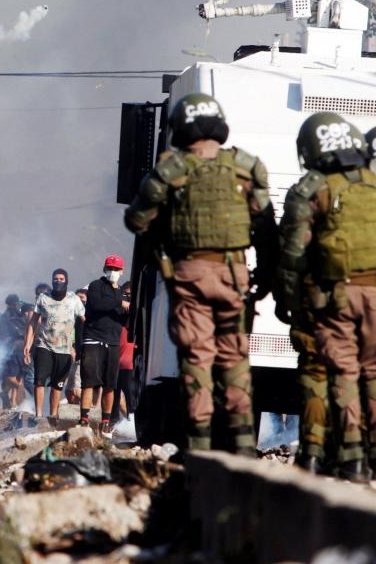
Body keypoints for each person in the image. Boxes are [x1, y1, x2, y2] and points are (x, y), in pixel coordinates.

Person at [125, 93, 277, 455]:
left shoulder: (170, 170)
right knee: (235, 357)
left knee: (197, 359)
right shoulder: (246, 168)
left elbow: (137, 219)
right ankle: (241, 442)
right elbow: (267, 230)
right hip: (234, 275)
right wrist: (268, 279)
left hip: (189, 275)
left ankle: (200, 443)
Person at [276, 112, 374, 481]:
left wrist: (287, 303)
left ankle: (327, 455)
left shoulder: (312, 188)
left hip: (328, 300)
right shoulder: (371, 182)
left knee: (329, 374)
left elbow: (292, 257)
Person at [24, 269, 86, 418]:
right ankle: (39, 415)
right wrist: (28, 344)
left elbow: (85, 320)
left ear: (66, 281)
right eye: (55, 279)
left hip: (64, 349)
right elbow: (33, 322)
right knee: (39, 381)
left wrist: (83, 345)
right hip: (44, 345)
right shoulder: (43, 298)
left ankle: (53, 416)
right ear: (52, 281)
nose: (58, 281)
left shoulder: (74, 300)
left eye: (61, 279)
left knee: (57, 385)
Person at [78, 256, 128, 437]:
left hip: (113, 342)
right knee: (89, 381)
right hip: (93, 338)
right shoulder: (96, 286)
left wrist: (127, 310)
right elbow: (98, 304)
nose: (113, 272)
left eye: (116, 269)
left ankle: (105, 422)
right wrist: (120, 303)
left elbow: (123, 317)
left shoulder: (122, 292)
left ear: (122, 271)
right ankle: (84, 418)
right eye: (110, 268)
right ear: (104, 268)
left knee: (110, 384)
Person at [0, 294, 29, 409]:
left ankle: (13, 403)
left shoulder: (17, 315)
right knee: (12, 377)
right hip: (13, 350)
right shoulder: (7, 317)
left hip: (19, 349)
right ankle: (11, 395)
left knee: (18, 376)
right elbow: (5, 335)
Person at [110, 283, 135, 425]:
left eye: (131, 295)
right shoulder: (115, 318)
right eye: (125, 294)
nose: (128, 298)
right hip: (115, 365)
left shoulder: (137, 320)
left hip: (131, 365)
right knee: (113, 397)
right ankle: (113, 423)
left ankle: (131, 424)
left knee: (131, 398)